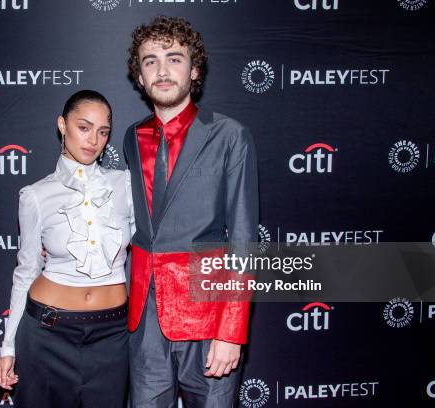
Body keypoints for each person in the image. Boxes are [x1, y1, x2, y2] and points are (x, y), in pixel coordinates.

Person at [123, 16, 259, 407]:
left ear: (194, 69)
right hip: (145, 319)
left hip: (208, 313)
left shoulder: (230, 135)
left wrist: (231, 330)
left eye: (174, 58)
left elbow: (244, 237)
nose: (162, 70)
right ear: (140, 75)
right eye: (150, 61)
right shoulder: (133, 136)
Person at [0, 90, 135, 408]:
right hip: (47, 333)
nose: (93, 140)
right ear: (62, 124)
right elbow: (26, 271)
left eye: (103, 131)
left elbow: (154, 243)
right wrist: (8, 347)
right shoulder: (35, 195)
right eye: (83, 127)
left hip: (112, 336)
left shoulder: (125, 185)